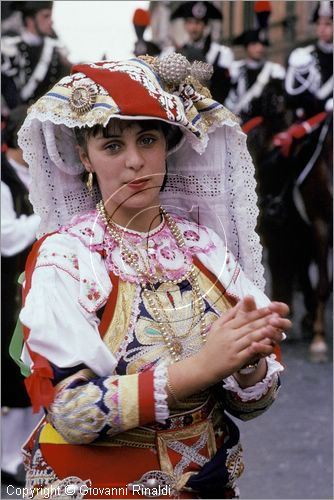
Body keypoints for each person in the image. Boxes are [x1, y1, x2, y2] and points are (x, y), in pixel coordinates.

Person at [15, 55, 290, 499]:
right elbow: (71, 411)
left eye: (147, 140)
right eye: (112, 146)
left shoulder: (206, 247)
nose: (135, 162)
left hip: (206, 482)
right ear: (85, 156)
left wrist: (249, 359)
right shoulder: (68, 256)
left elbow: (253, 403)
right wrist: (203, 366)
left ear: (169, 145)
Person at [1, 105, 41, 485]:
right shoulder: (2, 179)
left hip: (29, 284)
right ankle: (7, 455)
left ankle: (25, 449)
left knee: (33, 362)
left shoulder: (30, 176)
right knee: (11, 371)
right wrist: (45, 217)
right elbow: (7, 236)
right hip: (5, 289)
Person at [1, 1, 71, 115]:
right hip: (14, 122)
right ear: (30, 20)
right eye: (46, 16)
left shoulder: (56, 52)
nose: (51, 21)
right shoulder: (8, 51)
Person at [163, 1, 233, 104]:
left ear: (205, 25)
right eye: (190, 22)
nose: (193, 28)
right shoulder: (171, 53)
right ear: (185, 25)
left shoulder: (222, 53)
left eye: (198, 23)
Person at [226, 29, 286, 124]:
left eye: (262, 44)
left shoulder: (274, 71)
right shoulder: (235, 70)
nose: (259, 48)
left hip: (266, 125)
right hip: (239, 124)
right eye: (254, 44)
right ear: (246, 47)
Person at [285, 0, 333, 119]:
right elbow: (292, 97)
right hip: (310, 122)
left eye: (328, 24)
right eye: (318, 24)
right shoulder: (305, 55)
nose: (322, 29)